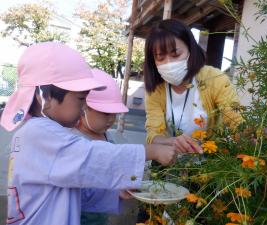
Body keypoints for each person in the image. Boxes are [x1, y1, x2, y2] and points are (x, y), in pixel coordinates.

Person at [0, 42, 177, 225]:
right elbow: (90, 157)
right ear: (45, 96)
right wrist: (151, 151)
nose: (84, 106)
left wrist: (114, 193)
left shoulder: (34, 132)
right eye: (81, 98)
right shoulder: (39, 133)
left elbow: (73, 189)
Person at [144, 19, 242, 153]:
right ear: (152, 61)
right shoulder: (156, 90)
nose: (169, 63)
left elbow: (234, 120)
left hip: (209, 163)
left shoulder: (214, 79)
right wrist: (173, 142)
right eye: (160, 58)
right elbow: (153, 134)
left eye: (176, 54)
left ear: (191, 49)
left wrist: (252, 136)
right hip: (169, 164)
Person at [75, 69, 130, 225]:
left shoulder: (106, 135)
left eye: (115, 114)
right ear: (83, 107)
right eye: (106, 113)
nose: (111, 119)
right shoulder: (74, 140)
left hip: (100, 216)